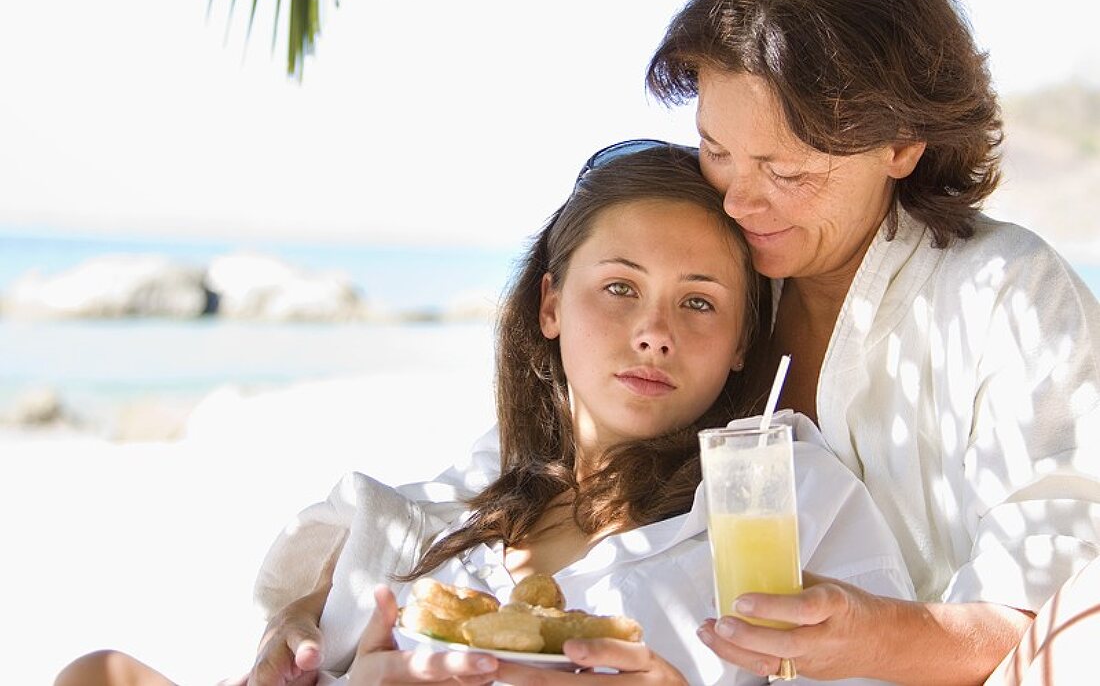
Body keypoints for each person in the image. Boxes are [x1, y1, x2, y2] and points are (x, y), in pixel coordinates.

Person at [54, 142, 914, 686]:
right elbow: (325, 607)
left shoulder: (777, 491)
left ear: (739, 344)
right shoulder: (466, 498)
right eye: (619, 288)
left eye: (699, 303)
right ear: (550, 305)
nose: (653, 333)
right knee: (97, 673)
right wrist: (297, 631)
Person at [643, 0, 1100, 683]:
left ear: (901, 144)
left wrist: (872, 637)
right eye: (716, 150)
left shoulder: (1007, 297)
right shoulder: (702, 284)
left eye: (786, 171)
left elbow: (1058, 622)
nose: (737, 200)